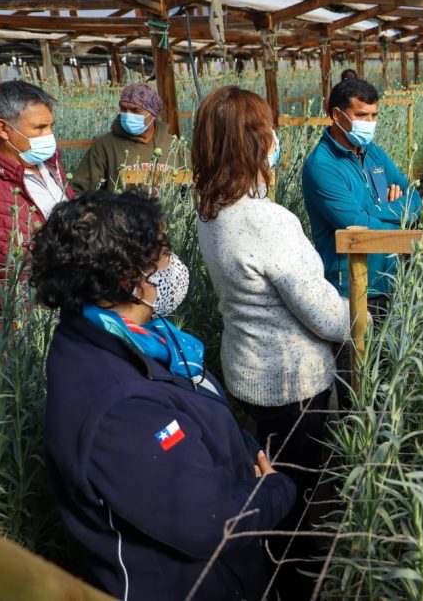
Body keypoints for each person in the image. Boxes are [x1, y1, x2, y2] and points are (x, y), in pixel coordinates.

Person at [31, 190, 295, 601]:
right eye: (164, 254)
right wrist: (275, 491)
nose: (173, 267)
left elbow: (192, 410)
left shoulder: (114, 336)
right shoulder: (121, 409)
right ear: (127, 280)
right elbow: (208, 523)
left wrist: (240, 449)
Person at [191, 86, 353, 597]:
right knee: (295, 500)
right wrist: (358, 316)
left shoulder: (211, 210)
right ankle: (292, 584)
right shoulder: (267, 221)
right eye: (268, 131)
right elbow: (325, 316)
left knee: (266, 481)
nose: (278, 141)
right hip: (291, 385)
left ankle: (270, 571)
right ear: (254, 143)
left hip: (245, 370)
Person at [303, 78, 422, 303]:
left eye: (374, 115)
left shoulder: (373, 152)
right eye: (361, 115)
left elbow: (415, 198)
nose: (369, 122)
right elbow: (357, 225)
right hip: (351, 289)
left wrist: (373, 210)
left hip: (392, 278)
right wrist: (400, 219)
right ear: (337, 115)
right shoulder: (322, 166)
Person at [0, 80, 71, 273]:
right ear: (3, 129)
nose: (49, 135)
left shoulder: (49, 164)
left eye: (50, 126)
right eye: (39, 127)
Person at [70, 83, 181, 193]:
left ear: (152, 113)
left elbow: (191, 187)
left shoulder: (174, 147)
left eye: (135, 110)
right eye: (123, 109)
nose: (128, 115)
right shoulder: (104, 146)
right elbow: (80, 191)